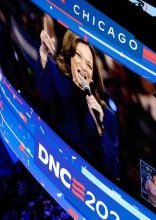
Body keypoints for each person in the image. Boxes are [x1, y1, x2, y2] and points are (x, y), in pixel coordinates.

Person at [35, 16, 119, 178]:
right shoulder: (56, 75)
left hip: (84, 180)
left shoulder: (107, 115)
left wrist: (100, 128)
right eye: (78, 56)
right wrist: (43, 56)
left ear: (93, 76)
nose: (82, 65)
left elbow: (113, 170)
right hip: (53, 160)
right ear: (70, 58)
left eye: (89, 65)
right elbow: (40, 92)